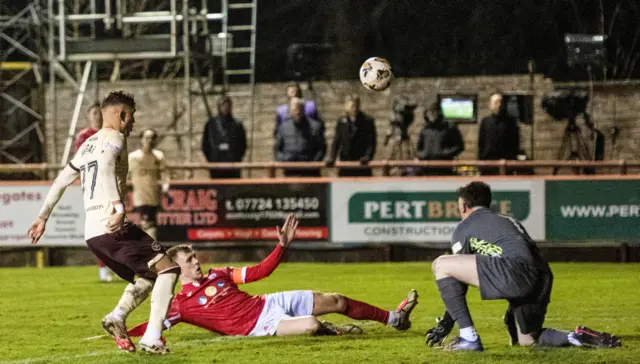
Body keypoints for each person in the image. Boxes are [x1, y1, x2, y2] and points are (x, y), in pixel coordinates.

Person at [27, 90, 180, 355]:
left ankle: (118, 316)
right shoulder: (115, 137)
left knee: (148, 275)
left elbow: (62, 179)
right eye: (131, 116)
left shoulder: (88, 144)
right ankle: (152, 338)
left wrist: (43, 216)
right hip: (112, 225)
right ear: (121, 114)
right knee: (169, 269)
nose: (133, 123)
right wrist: (119, 207)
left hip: (93, 232)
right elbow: (108, 166)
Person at [127, 214, 418, 339]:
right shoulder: (180, 304)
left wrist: (282, 245)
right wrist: (124, 331)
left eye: (194, 256)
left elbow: (259, 272)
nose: (196, 261)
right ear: (178, 269)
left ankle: (394, 318)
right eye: (189, 260)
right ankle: (330, 329)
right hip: (259, 324)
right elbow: (154, 325)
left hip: (266, 302)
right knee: (311, 325)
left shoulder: (220, 274)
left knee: (337, 300)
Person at [424, 181, 622, 351]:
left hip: (516, 273)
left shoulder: (464, 227)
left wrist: (446, 324)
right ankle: (575, 336)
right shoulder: (507, 220)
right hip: (542, 276)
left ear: (464, 205)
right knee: (528, 340)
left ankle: (469, 339)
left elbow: (456, 281)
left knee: (441, 264)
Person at [73, 102, 113, 282]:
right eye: (95, 113)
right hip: (93, 188)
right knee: (99, 228)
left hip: (110, 185)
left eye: (100, 113)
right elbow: (80, 161)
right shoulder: (84, 136)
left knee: (112, 229)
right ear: (89, 116)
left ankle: (111, 266)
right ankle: (103, 269)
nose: (98, 116)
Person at [128, 128, 169, 240]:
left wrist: (165, 187)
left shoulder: (159, 156)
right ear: (141, 139)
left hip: (154, 196)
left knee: (150, 223)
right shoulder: (133, 157)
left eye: (152, 138)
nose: (149, 140)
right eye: (146, 138)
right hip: (139, 196)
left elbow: (165, 174)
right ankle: (150, 251)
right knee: (146, 223)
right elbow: (126, 175)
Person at [326, 94, 377, 177]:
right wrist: (332, 157)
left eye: (356, 105)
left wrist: (367, 157)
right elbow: (336, 142)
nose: (354, 108)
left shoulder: (367, 121)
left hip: (361, 165)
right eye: (352, 106)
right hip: (345, 165)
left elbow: (371, 143)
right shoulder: (341, 122)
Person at [274, 97, 326, 177]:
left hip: (311, 172)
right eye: (295, 109)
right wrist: (284, 161)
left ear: (304, 109)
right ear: (290, 111)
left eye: (299, 109)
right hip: (290, 172)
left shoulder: (315, 126)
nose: (297, 112)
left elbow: (322, 148)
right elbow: (277, 149)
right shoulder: (283, 127)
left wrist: (313, 164)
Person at [202, 97, 247, 179]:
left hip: (233, 164)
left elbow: (242, 144)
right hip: (216, 163)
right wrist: (212, 158)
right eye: (223, 105)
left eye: (228, 105)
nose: (225, 107)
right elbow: (205, 144)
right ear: (219, 106)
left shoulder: (237, 124)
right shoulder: (211, 124)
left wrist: (236, 157)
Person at [416, 101, 465, 175]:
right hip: (426, 169)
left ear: (439, 112)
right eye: (429, 113)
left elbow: (459, 146)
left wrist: (445, 154)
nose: (431, 115)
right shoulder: (425, 129)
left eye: (433, 112)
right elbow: (419, 148)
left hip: (444, 168)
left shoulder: (450, 127)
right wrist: (422, 155)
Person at [478, 93, 520, 175]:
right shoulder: (485, 121)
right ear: (490, 105)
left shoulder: (511, 122)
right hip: (488, 164)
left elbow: (515, 143)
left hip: (506, 163)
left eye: (500, 102)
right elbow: (481, 143)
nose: (499, 105)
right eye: (496, 102)